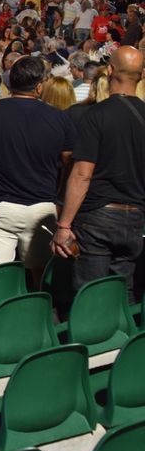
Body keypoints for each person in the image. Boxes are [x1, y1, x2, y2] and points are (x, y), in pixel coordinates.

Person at [0, 56, 75, 282]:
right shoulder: (59, 118)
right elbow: (69, 162)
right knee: (41, 277)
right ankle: (37, 313)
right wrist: (59, 198)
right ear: (39, 86)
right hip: (41, 207)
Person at [52, 47, 145, 297]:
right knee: (122, 292)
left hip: (97, 218)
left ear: (110, 71)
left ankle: (91, 336)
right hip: (135, 216)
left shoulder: (96, 115)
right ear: (142, 75)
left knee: (90, 293)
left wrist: (64, 224)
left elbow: (82, 174)